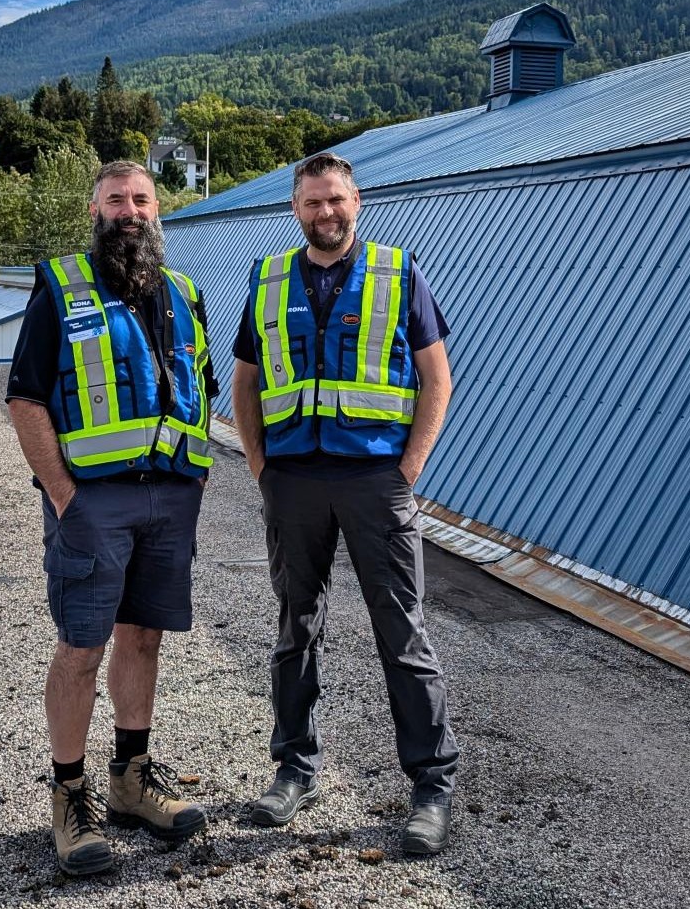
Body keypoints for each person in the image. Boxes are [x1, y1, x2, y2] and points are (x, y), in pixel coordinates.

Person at [230, 152, 459, 858]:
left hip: (374, 481)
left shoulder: (397, 272)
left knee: (402, 630)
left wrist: (409, 466)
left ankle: (430, 786)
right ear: (294, 210)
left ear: (356, 200)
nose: (325, 213)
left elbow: (436, 378)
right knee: (296, 627)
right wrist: (262, 465)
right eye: (311, 203)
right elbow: (243, 381)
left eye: (335, 200)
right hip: (294, 479)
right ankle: (294, 769)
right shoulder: (268, 280)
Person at [6, 160, 216, 877]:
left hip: (168, 497)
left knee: (146, 638)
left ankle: (131, 777)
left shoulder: (185, 292)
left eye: (142, 198)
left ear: (159, 210)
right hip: (92, 500)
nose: (130, 209)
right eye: (116, 199)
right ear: (93, 210)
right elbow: (26, 399)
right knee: (81, 648)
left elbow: (202, 392)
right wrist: (64, 495)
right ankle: (69, 795)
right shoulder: (61, 288)